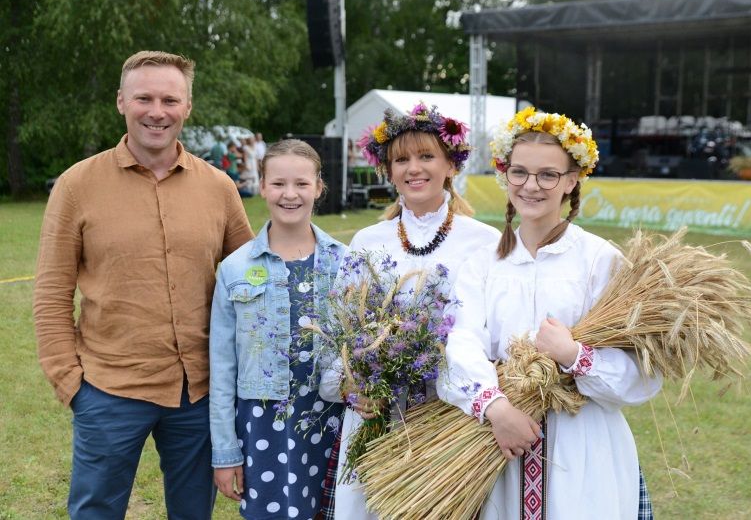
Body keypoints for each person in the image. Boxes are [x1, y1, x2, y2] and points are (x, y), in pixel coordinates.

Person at [32, 51, 254, 520]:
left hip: (198, 394)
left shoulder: (219, 188)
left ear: (187, 107)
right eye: (144, 98)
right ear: (121, 102)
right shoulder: (76, 186)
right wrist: (70, 382)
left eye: (170, 99)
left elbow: (253, 281)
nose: (158, 111)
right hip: (109, 389)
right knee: (96, 512)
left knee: (194, 513)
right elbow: (52, 293)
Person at [437, 107, 663, 519]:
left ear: (572, 181)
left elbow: (643, 374)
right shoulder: (483, 264)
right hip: (498, 445)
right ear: (505, 175)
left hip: (583, 446)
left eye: (548, 175)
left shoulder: (600, 261)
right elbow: (460, 343)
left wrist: (575, 355)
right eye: (519, 172)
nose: (531, 186)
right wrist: (496, 409)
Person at [318, 103, 502, 520]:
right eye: (401, 159)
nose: (413, 169)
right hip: (378, 415)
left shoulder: (484, 241)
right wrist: (353, 386)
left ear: (451, 165)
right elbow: (339, 328)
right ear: (388, 170)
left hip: (452, 416)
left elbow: (494, 331)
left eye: (426, 156)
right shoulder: (368, 239)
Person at [210, 139, 348, 520]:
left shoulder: (345, 263)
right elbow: (222, 369)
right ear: (262, 184)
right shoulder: (235, 269)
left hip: (332, 419)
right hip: (263, 428)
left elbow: (362, 349)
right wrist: (226, 452)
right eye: (278, 183)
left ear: (319, 187)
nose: (290, 194)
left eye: (302, 184)